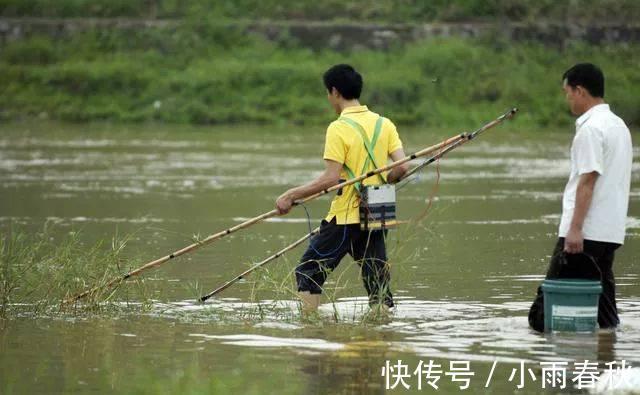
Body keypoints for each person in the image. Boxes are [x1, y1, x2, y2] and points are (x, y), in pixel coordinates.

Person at [275, 64, 409, 313]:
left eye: (328, 93)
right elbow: (402, 168)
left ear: (334, 92)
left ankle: (310, 330)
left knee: (309, 272)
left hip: (347, 211)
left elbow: (330, 178)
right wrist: (378, 182)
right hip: (379, 206)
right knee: (377, 281)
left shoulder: (338, 127)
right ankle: (382, 334)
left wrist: (290, 195)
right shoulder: (385, 124)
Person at [529, 63, 633, 331]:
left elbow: (587, 182)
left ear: (580, 90)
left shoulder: (591, 129)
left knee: (542, 315)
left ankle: (561, 368)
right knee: (605, 314)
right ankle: (608, 361)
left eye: (568, 92)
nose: (567, 99)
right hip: (609, 233)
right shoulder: (618, 126)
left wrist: (575, 229)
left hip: (583, 234)